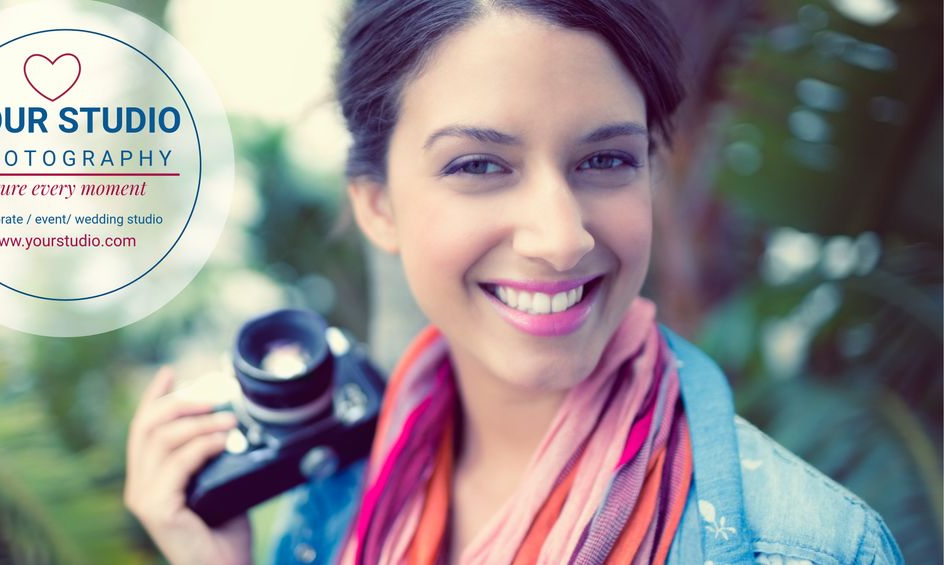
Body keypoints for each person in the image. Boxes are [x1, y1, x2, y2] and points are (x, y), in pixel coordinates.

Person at [124, 1, 905, 563]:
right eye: (479, 165)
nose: (561, 238)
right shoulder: (334, 503)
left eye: (606, 159)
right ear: (378, 204)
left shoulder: (812, 545)